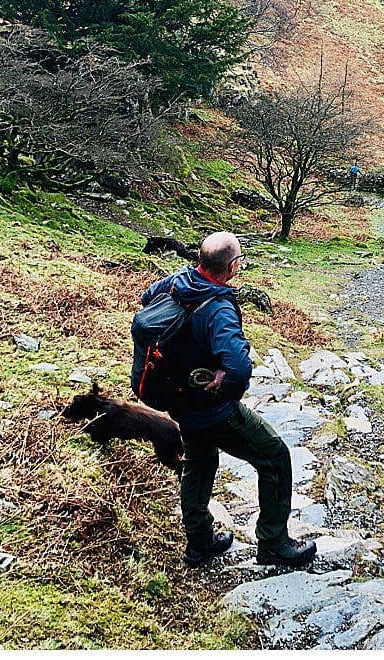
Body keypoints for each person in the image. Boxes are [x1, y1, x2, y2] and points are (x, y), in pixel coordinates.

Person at [140, 231, 317, 569]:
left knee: (199, 461)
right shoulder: (219, 308)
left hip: (178, 398)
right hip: (212, 407)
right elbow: (237, 365)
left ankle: (200, 541)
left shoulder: (179, 281)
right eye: (240, 260)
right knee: (275, 456)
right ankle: (274, 542)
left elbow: (148, 298)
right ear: (233, 266)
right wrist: (224, 381)